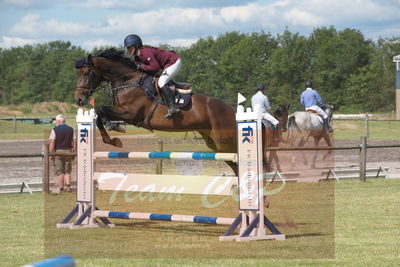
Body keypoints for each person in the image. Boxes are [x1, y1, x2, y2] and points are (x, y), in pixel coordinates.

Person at [124, 34, 181, 119]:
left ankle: (173, 107)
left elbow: (155, 67)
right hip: (166, 65)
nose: (128, 50)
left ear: (136, 46)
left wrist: (141, 67)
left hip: (174, 62)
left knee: (162, 82)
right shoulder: (138, 56)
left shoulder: (145, 52)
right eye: (127, 48)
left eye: (130, 47)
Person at [49, 114, 76, 194]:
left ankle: (61, 188)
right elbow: (74, 141)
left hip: (58, 152)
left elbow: (52, 142)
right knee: (67, 171)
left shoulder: (54, 129)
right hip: (68, 151)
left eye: (56, 121)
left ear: (59, 121)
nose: (56, 123)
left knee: (59, 171)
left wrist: (51, 154)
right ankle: (68, 186)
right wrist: (74, 152)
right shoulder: (71, 129)